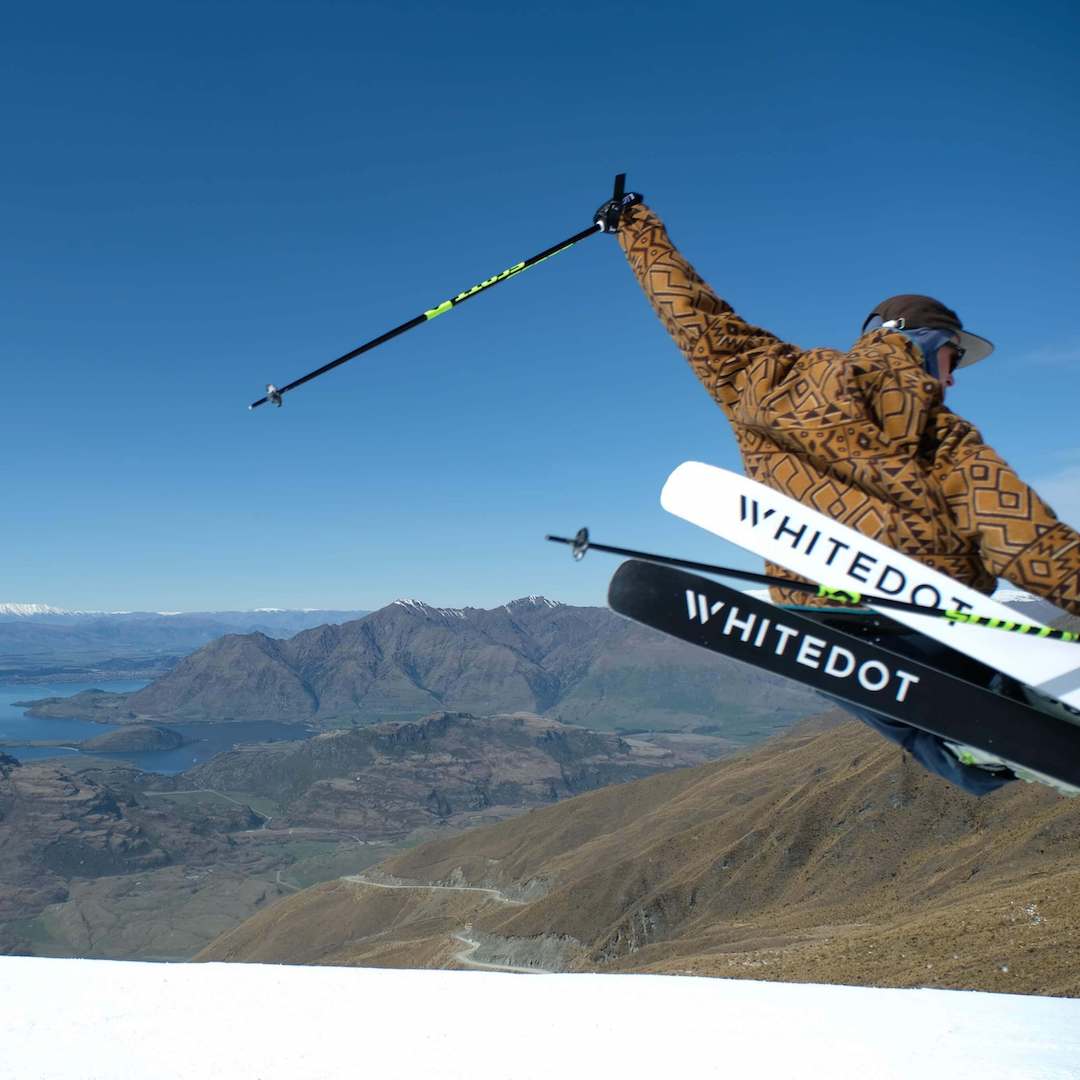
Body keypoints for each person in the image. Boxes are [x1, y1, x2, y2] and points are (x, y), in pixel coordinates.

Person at [595, 190, 1080, 795]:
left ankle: (975, 747)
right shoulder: (943, 434)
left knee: (916, 723)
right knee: (974, 691)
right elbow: (1027, 541)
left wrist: (632, 228)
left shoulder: (765, 376)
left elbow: (690, 311)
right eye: (953, 356)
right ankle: (1013, 710)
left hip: (815, 609)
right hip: (923, 606)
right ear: (926, 342)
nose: (953, 377)